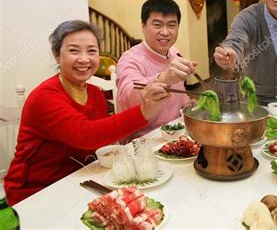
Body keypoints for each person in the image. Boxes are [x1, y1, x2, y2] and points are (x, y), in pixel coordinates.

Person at [4, 20, 170, 205]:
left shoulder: (95, 94)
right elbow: (86, 134)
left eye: (91, 51)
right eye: (74, 51)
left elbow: (102, 141)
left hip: (81, 182)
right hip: (36, 193)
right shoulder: (44, 97)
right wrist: (142, 111)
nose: (84, 59)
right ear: (57, 56)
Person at [116, 0, 196, 141]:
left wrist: (187, 103)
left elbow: (180, 92)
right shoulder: (130, 59)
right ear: (143, 26)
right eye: (157, 25)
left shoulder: (174, 52)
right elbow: (128, 95)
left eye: (172, 25)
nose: (165, 32)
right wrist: (163, 78)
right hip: (143, 140)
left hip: (176, 131)